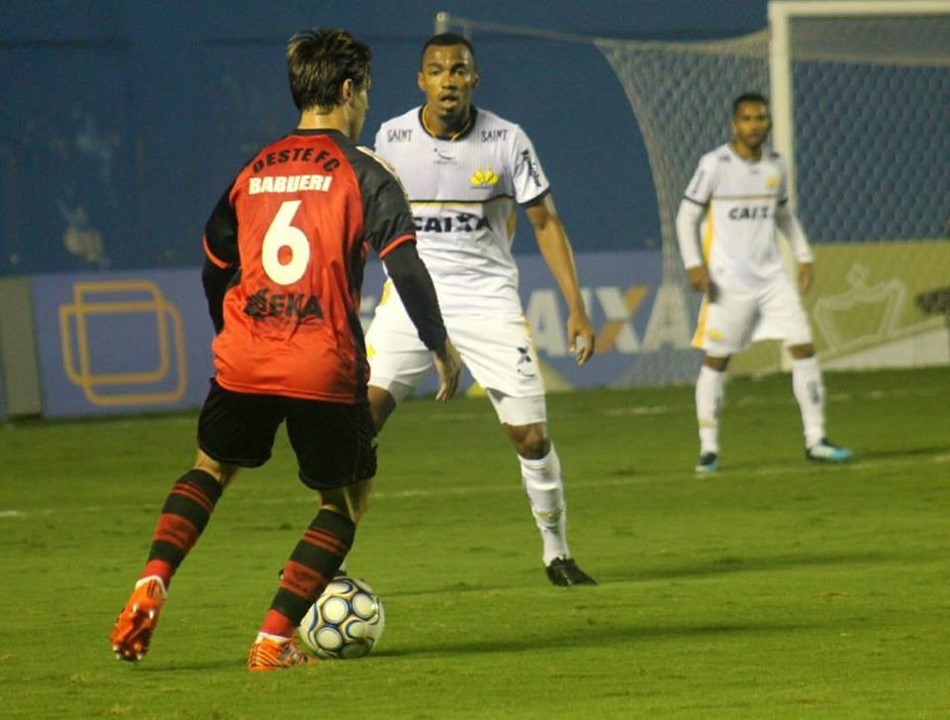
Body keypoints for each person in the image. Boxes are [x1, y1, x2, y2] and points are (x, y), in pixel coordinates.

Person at [109, 27, 462, 671]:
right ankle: (272, 640)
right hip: (321, 361)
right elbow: (405, 268)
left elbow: (215, 260)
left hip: (246, 352)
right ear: (349, 91)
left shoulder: (254, 168)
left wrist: (229, 327)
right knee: (346, 502)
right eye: (367, 93)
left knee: (210, 469)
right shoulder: (365, 172)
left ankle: (152, 579)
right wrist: (439, 345)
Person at [365, 33, 597, 586]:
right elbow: (372, 224)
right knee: (358, 424)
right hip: (410, 297)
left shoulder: (507, 140)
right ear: (421, 80)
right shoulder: (391, 137)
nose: (449, 80)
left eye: (460, 70)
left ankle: (557, 553)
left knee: (531, 437)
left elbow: (544, 222)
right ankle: (328, 560)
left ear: (475, 79)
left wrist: (577, 309)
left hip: (488, 302)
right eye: (437, 71)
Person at [675, 92, 852, 473]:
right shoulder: (715, 164)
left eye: (760, 119)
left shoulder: (776, 166)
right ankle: (708, 448)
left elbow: (784, 215)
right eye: (747, 119)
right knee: (717, 359)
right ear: (733, 125)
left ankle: (816, 439)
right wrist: (693, 264)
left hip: (772, 278)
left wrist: (803, 255)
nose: (754, 125)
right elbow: (686, 216)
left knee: (803, 348)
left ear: (768, 124)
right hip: (727, 280)